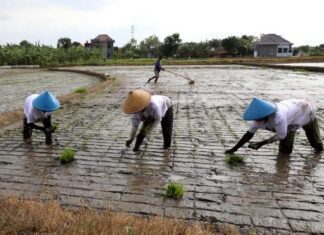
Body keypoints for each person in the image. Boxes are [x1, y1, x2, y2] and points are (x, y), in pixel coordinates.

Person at [225, 98, 323, 155]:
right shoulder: (256, 120)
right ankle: (284, 167)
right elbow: (248, 135)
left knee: (316, 143)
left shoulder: (278, 117)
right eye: (256, 119)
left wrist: (261, 143)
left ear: (266, 116)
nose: (257, 122)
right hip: (291, 114)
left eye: (259, 119)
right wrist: (234, 149)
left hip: (306, 110)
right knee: (285, 150)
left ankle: (319, 150)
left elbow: (281, 136)